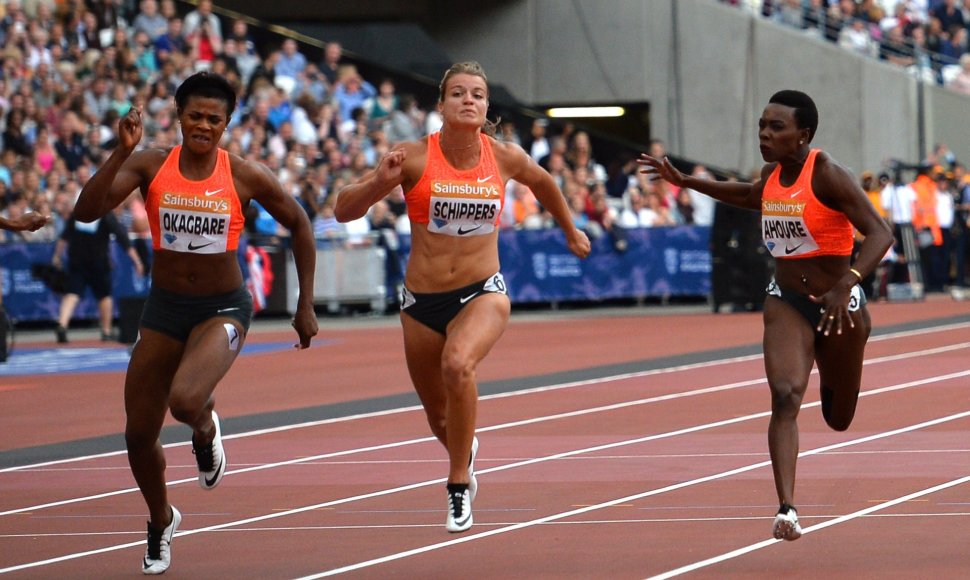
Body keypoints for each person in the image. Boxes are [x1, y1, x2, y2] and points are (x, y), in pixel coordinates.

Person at [70, 71, 319, 574]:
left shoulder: (245, 174)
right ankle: (161, 519)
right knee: (138, 435)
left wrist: (304, 304)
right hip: (163, 310)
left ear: (227, 123)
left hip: (222, 308)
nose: (203, 125)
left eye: (214, 119)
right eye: (194, 116)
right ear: (179, 116)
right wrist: (119, 152)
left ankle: (205, 429)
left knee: (184, 400)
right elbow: (86, 211)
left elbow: (299, 222)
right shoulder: (150, 162)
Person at [334, 61, 590, 533]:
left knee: (458, 365)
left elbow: (544, 183)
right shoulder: (411, 157)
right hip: (421, 302)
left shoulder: (504, 156)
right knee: (438, 416)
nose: (468, 100)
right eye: (458, 93)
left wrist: (571, 230)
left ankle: (458, 482)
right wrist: (376, 183)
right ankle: (461, 446)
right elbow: (343, 210)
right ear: (441, 105)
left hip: (482, 291)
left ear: (487, 106)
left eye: (477, 94)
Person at [638, 90, 893, 541]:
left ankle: (845, 363)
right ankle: (787, 509)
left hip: (838, 308)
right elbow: (752, 196)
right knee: (785, 394)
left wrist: (847, 282)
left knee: (839, 419)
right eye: (762, 125)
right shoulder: (772, 173)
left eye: (776, 127)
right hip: (787, 300)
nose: (765, 134)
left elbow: (881, 233)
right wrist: (687, 182)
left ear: (803, 135)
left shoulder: (829, 175)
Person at [51, 209, 144, 343]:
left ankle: (62, 324)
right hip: (98, 261)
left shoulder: (79, 212)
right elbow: (122, 237)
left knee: (72, 293)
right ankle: (106, 331)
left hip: (77, 260)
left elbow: (64, 237)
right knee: (104, 296)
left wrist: (57, 256)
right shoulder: (105, 213)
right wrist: (137, 260)